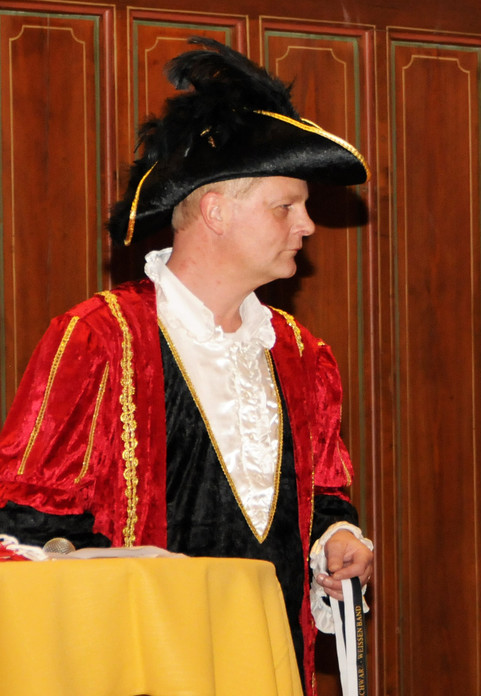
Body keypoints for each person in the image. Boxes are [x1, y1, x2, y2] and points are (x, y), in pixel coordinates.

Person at [0, 38, 371, 692]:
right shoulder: (98, 339)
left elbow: (325, 497)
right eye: (286, 206)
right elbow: (26, 527)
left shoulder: (303, 355)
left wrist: (337, 541)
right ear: (217, 211)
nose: (308, 225)